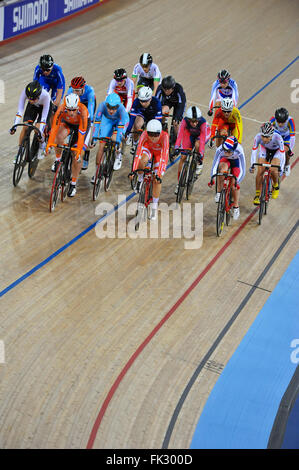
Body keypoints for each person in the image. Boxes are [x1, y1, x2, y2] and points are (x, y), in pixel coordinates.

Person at [45, 93, 88, 198]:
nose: (71, 112)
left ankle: (73, 184)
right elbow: (54, 128)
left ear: (77, 106)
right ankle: (58, 159)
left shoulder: (83, 111)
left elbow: (82, 134)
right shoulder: (61, 109)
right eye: (69, 109)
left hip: (81, 128)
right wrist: (49, 144)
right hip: (68, 124)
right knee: (58, 137)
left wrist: (78, 150)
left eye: (74, 110)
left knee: (76, 154)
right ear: (65, 106)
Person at [130, 119, 169, 220]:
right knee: (142, 161)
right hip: (149, 149)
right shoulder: (144, 134)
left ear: (159, 133)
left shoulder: (165, 137)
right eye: (150, 134)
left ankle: (154, 207)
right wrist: (133, 170)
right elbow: (138, 152)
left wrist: (159, 174)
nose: (152, 137)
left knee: (157, 180)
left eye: (155, 135)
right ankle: (139, 180)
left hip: (159, 154)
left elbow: (164, 156)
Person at [10, 80, 51, 160]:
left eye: (33, 99)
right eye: (29, 99)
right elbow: (20, 111)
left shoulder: (45, 96)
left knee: (37, 130)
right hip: (33, 107)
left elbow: (43, 118)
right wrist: (14, 126)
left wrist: (40, 132)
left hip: (44, 108)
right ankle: (20, 151)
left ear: (39, 95)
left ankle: (42, 145)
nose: (31, 101)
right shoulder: (25, 92)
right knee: (25, 127)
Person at [174, 106, 210, 194]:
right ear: (188, 119)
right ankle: (179, 184)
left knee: (198, 144)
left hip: (202, 135)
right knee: (183, 157)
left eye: (196, 120)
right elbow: (180, 135)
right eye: (192, 121)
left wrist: (201, 154)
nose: (194, 123)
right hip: (190, 134)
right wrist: (176, 147)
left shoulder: (203, 123)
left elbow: (201, 141)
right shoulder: (185, 121)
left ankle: (199, 163)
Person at [92, 93, 129, 176]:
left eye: (114, 108)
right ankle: (96, 172)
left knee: (115, 138)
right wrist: (94, 138)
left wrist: (118, 141)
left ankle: (118, 155)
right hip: (107, 121)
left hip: (120, 121)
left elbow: (120, 128)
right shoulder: (102, 106)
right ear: (106, 104)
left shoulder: (122, 110)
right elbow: (97, 122)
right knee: (101, 145)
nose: (111, 111)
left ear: (118, 106)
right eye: (109, 108)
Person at [210, 136, 246, 220]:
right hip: (225, 161)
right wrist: (212, 177)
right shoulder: (220, 149)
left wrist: (237, 181)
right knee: (221, 171)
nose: (226, 153)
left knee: (234, 185)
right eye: (225, 151)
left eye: (228, 151)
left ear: (234, 149)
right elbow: (215, 165)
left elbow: (243, 170)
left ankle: (236, 207)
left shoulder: (239, 150)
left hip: (236, 163)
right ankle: (219, 192)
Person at [250, 122, 285, 204]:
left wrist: (281, 168)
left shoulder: (278, 138)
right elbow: (254, 151)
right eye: (263, 136)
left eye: (267, 137)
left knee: (273, 170)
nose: (264, 139)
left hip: (276, 151)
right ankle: (257, 195)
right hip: (264, 149)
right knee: (260, 172)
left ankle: (276, 185)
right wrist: (252, 165)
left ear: (272, 135)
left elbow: (282, 153)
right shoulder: (258, 137)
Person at [67, 76, 96, 169]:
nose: (75, 92)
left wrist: (89, 125)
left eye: (78, 90)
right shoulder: (70, 92)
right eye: (74, 90)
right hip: (75, 105)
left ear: (83, 88)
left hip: (87, 105)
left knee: (85, 131)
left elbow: (90, 111)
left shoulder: (90, 91)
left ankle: (86, 153)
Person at [126, 86, 162, 152]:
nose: (143, 103)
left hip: (152, 117)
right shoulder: (136, 101)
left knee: (150, 131)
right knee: (137, 125)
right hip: (142, 114)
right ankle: (135, 143)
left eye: (145, 101)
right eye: (141, 101)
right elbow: (132, 119)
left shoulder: (157, 103)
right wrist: (128, 131)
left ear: (150, 99)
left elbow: (158, 122)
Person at [269, 107, 295, 176]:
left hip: (286, 137)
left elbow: (292, 137)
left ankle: (287, 164)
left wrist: (290, 149)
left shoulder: (290, 121)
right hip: (277, 136)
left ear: (286, 120)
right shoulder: (273, 119)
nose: (280, 124)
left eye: (282, 122)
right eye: (278, 122)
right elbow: (267, 130)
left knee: (286, 151)